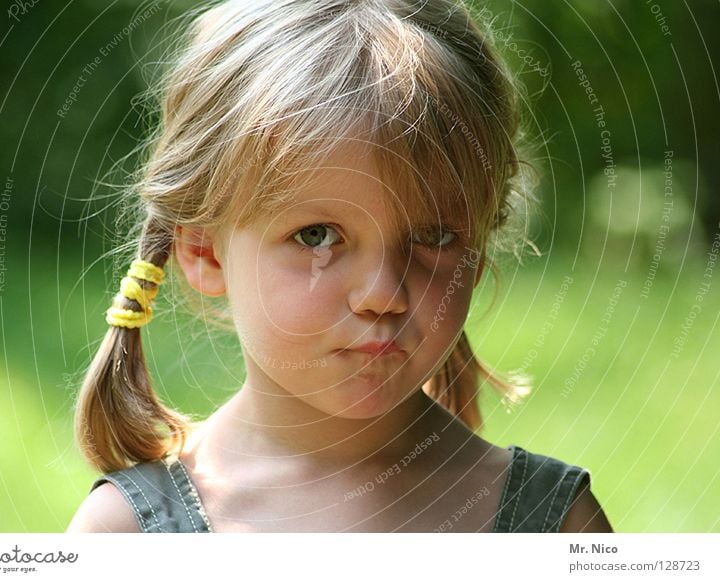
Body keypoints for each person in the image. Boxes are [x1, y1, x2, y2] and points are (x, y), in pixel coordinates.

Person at [67, 0, 612, 533]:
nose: (384, 293)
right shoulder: (128, 536)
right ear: (205, 252)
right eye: (316, 236)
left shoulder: (554, 527)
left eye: (435, 235)